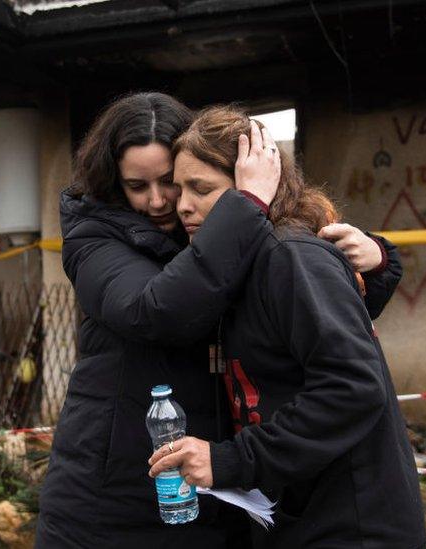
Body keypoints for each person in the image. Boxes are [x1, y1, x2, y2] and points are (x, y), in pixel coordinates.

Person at [37, 92, 399, 548]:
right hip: (113, 497)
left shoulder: (231, 234)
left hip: (219, 487)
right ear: (112, 182)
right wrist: (245, 204)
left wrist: (377, 261)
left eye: (173, 181)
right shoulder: (96, 238)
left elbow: (311, 316)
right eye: (136, 185)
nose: (161, 201)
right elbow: (157, 311)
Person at [148, 106, 426, 548]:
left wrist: (230, 460)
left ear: (253, 188)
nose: (182, 205)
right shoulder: (239, 266)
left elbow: (353, 386)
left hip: (351, 526)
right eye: (178, 188)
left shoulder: (290, 257)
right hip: (297, 517)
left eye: (201, 188)